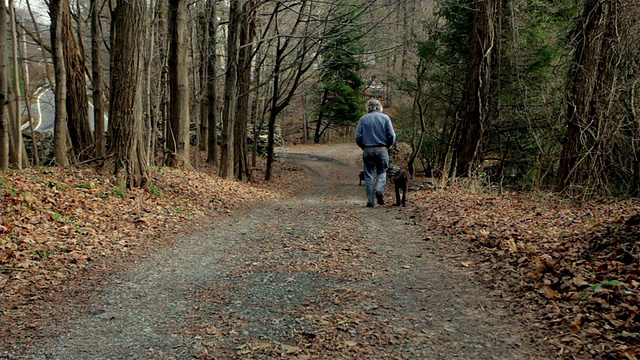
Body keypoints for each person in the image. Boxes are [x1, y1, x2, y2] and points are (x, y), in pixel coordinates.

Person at [355, 99, 396, 207]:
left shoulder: (363, 119)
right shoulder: (385, 118)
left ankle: (371, 202)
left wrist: (363, 146)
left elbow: (357, 137)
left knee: (369, 175)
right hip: (382, 149)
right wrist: (388, 145)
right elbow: (392, 135)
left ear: (368, 107)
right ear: (380, 107)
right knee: (382, 172)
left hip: (368, 149)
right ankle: (379, 190)